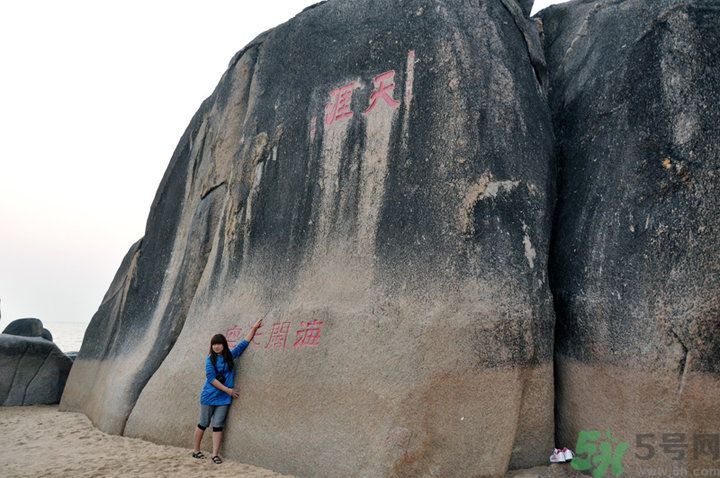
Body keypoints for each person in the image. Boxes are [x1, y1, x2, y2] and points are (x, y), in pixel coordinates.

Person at [192, 318, 263, 464]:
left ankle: (215, 455)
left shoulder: (230, 356)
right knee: (203, 423)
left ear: (224, 345)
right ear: (211, 346)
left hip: (223, 399)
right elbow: (211, 379)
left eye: (219, 344)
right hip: (209, 396)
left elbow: (243, 344)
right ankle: (196, 450)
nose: (217, 346)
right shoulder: (209, 360)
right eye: (214, 344)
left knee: (218, 425)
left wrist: (254, 328)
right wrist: (229, 391)